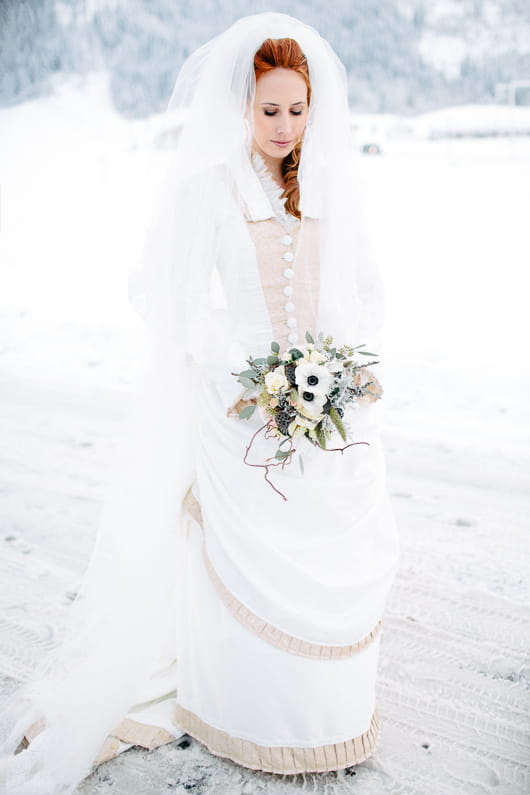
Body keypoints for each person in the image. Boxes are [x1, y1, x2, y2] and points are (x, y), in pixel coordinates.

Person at [0, 12, 400, 792]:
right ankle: (243, 708)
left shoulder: (331, 186)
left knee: (335, 555)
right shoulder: (207, 190)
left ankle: (324, 715)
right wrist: (233, 364)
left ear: (314, 106)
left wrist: (335, 367)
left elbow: (370, 290)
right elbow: (156, 289)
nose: (285, 125)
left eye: (297, 108)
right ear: (241, 108)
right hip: (240, 411)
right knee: (235, 554)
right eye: (269, 109)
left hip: (327, 414)